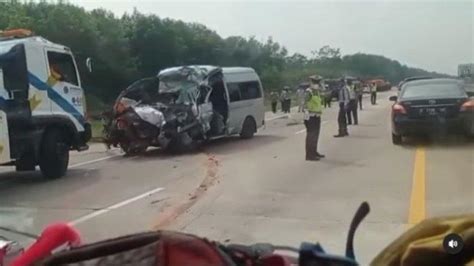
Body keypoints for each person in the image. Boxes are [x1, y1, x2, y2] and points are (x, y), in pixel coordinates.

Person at [304, 77, 325, 161]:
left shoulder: (317, 92)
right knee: (311, 136)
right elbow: (304, 103)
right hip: (310, 117)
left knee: (315, 136)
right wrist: (306, 117)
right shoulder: (308, 92)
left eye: (318, 82)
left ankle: (314, 151)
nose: (317, 84)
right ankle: (309, 155)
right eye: (315, 82)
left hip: (317, 116)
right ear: (311, 82)